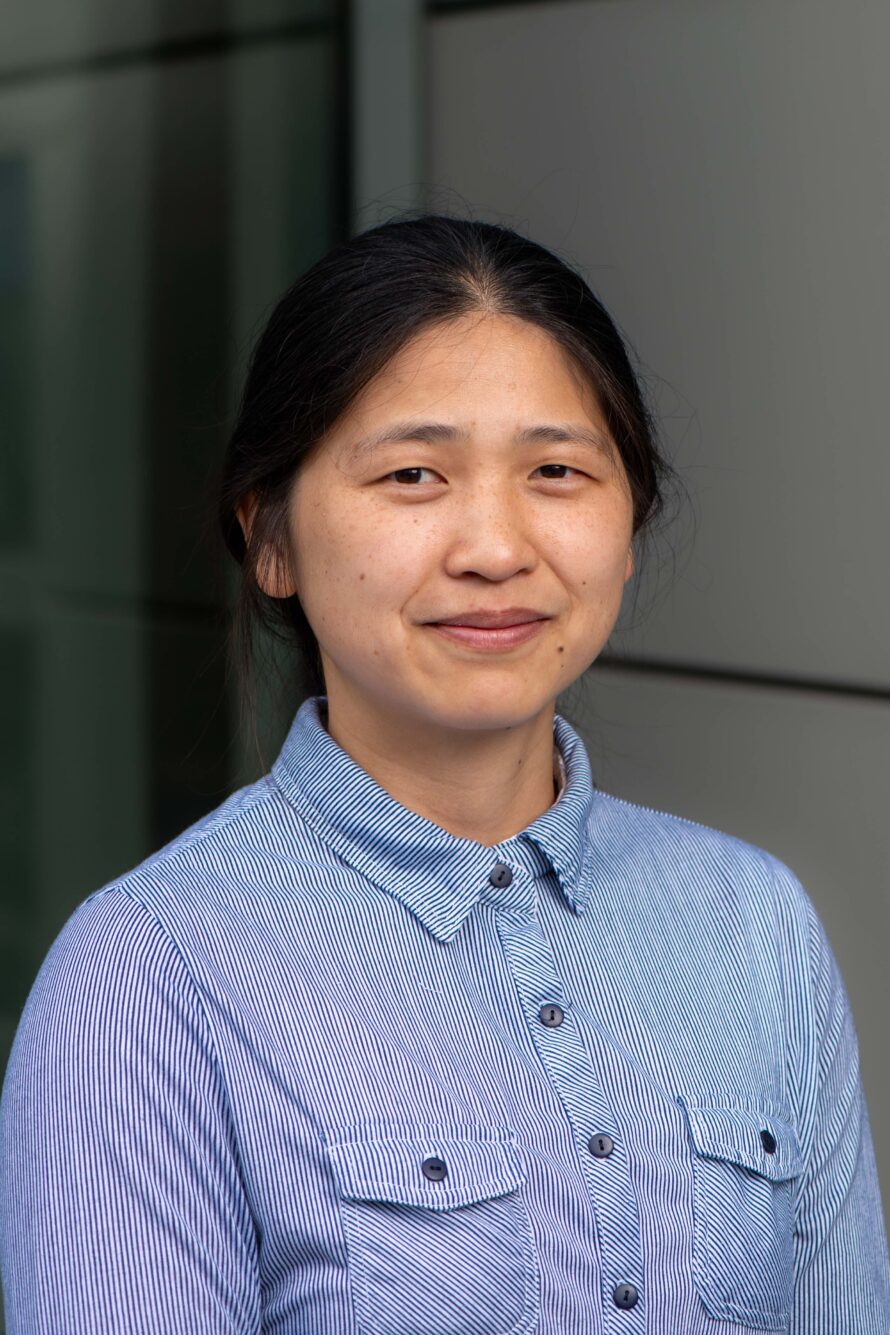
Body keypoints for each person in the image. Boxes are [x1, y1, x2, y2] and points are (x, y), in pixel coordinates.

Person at [1, 214, 887, 1334]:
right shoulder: (150, 976)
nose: (494, 545)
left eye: (556, 471)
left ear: (628, 522)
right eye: (413, 473)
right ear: (268, 537)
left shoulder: (750, 922)